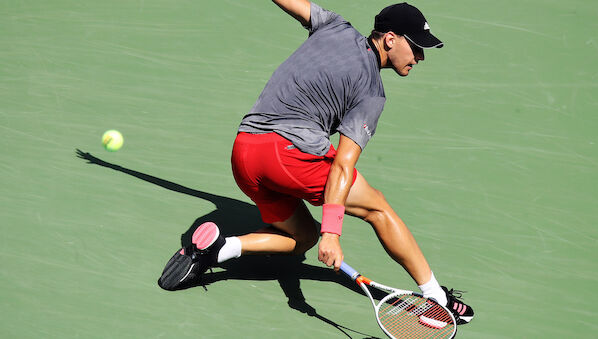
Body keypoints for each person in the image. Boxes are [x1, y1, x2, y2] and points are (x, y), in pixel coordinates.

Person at [159, 0, 474, 325]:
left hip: (244, 153)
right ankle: (436, 298)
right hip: (286, 156)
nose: (420, 57)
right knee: (377, 208)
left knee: (303, 238)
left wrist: (321, 235)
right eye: (416, 47)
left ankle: (216, 250)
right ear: (390, 39)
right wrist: (333, 234)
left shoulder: (334, 26)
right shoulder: (371, 93)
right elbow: (341, 166)